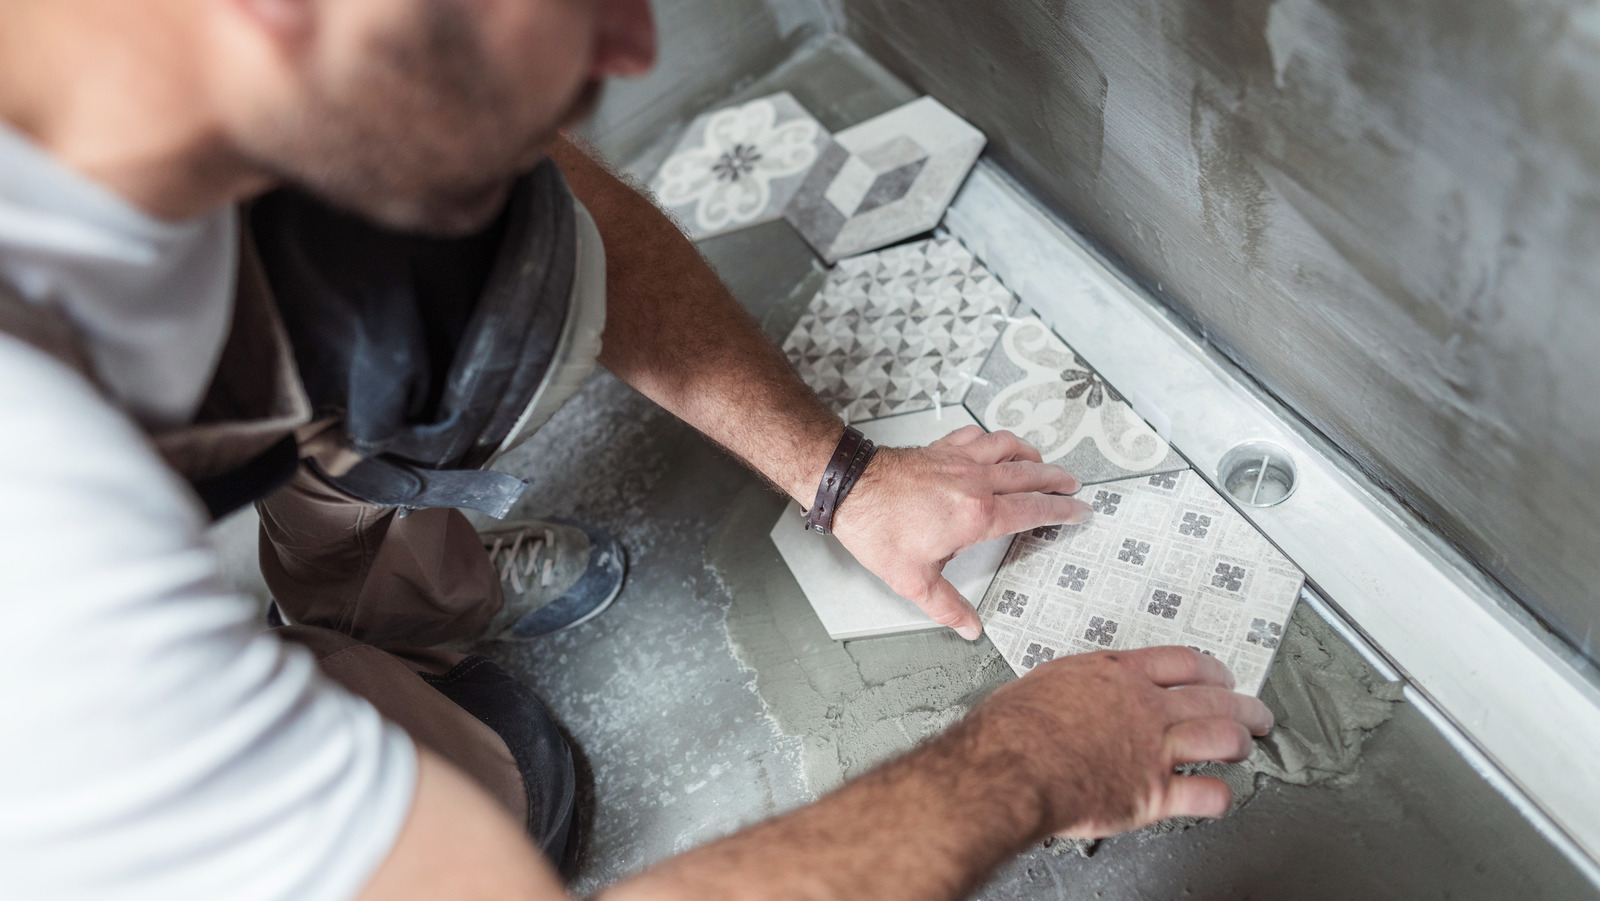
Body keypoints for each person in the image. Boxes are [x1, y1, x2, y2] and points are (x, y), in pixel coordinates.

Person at [0, 1, 1274, 899]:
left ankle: (361, 610)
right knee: (499, 803)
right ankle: (253, 717)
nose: (634, 44)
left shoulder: (200, 60)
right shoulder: (41, 542)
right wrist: (1027, 766)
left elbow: (530, 170)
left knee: (471, 249)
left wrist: (843, 475)